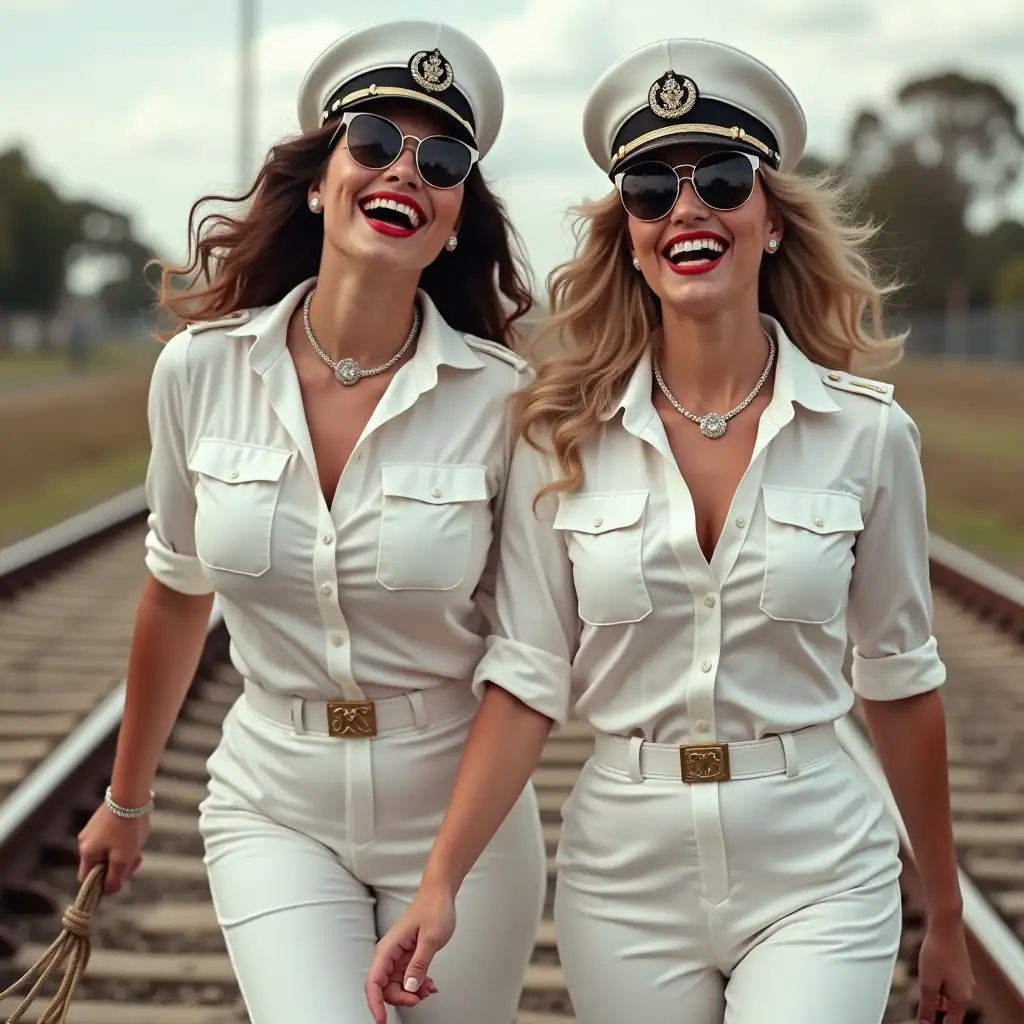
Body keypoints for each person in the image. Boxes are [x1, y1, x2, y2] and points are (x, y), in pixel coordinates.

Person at [366, 37, 974, 1024]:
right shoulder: (559, 439)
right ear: (632, 237)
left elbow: (900, 678)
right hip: (625, 877)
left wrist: (942, 905)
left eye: (722, 181)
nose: (685, 208)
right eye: (650, 190)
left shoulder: (868, 434)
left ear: (770, 220)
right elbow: (525, 677)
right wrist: (441, 879)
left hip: (816, 862)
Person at [75, 18, 548, 1023]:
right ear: (322, 178)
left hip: (458, 818)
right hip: (273, 804)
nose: (405, 172)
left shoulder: (511, 403)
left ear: (459, 217)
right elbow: (173, 592)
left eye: (443, 160)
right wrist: (125, 798)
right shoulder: (198, 374)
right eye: (374, 141)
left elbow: (527, 665)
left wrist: (445, 876)